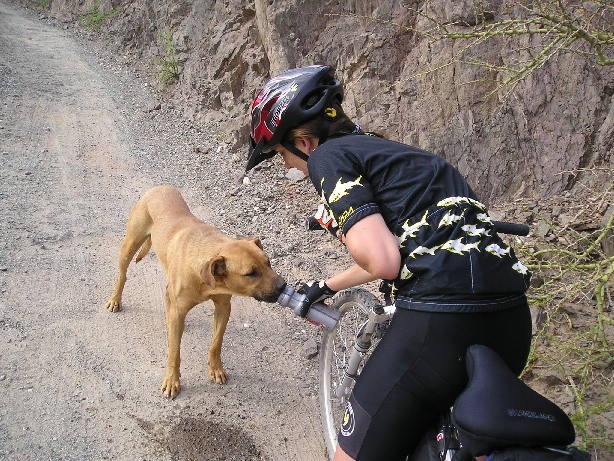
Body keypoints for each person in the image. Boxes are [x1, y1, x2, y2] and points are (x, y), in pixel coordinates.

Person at [245, 65, 532, 461]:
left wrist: (344, 226)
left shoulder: (328, 158)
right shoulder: (405, 157)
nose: (287, 165)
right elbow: (403, 250)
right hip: (511, 324)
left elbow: (382, 260)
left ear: (305, 143)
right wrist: (330, 285)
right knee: (469, 436)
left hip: (440, 324)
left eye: (280, 154)